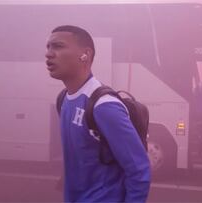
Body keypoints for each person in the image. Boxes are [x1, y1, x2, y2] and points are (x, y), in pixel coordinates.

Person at [45, 25, 151, 202]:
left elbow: (139, 169)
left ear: (85, 54)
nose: (48, 54)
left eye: (58, 46)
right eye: (48, 47)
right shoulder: (63, 99)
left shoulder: (104, 106)